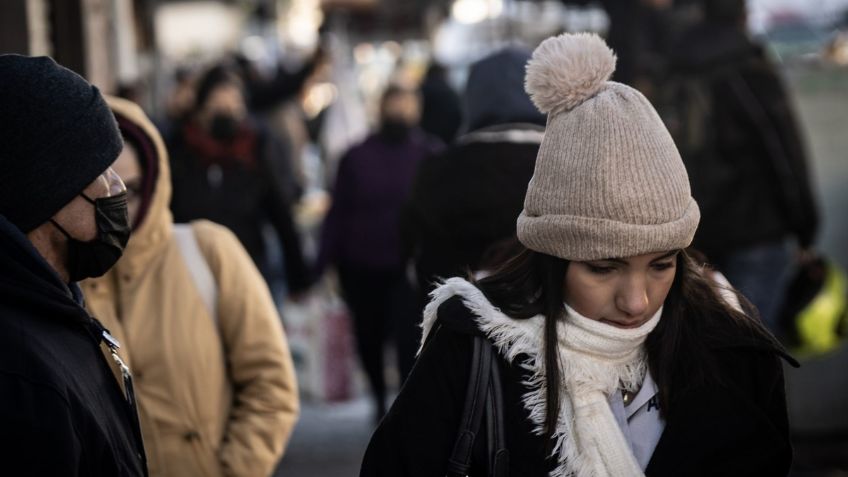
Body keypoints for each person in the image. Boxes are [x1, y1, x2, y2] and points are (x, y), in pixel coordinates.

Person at [360, 33, 796, 476]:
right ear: (552, 258)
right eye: (603, 269)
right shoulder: (475, 348)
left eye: (661, 265)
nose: (637, 301)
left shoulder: (734, 345)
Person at [82, 96, 299, 477]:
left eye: (128, 191)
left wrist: (236, 470)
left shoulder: (208, 250)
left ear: (152, 180)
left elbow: (271, 386)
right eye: (100, 195)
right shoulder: (61, 284)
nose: (117, 210)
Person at [0, 55, 147, 476]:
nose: (117, 188)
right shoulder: (19, 374)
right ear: (45, 192)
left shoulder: (57, 309)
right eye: (101, 171)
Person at [662, 0, 819, 330]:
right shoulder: (750, 71)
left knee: (705, 345)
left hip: (694, 235)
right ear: (743, 16)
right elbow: (782, 153)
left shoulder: (674, 70)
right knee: (753, 346)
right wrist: (805, 227)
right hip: (757, 231)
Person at [317, 84, 442, 419]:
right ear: (381, 109)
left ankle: (402, 409)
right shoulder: (356, 157)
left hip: (410, 270)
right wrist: (322, 264)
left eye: (407, 104)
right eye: (395, 105)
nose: (400, 112)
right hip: (361, 267)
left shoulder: (430, 155)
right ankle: (377, 401)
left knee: (408, 343)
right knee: (369, 340)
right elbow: (338, 212)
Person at [402, 47, 547, 299]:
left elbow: (414, 247)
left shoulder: (438, 169)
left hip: (456, 322)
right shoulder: (566, 167)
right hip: (547, 326)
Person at [167, 64, 311, 294]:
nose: (226, 111)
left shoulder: (255, 150)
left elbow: (280, 212)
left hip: (246, 269)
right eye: (217, 103)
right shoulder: (178, 149)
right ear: (201, 107)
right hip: (187, 273)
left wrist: (298, 276)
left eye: (233, 104)